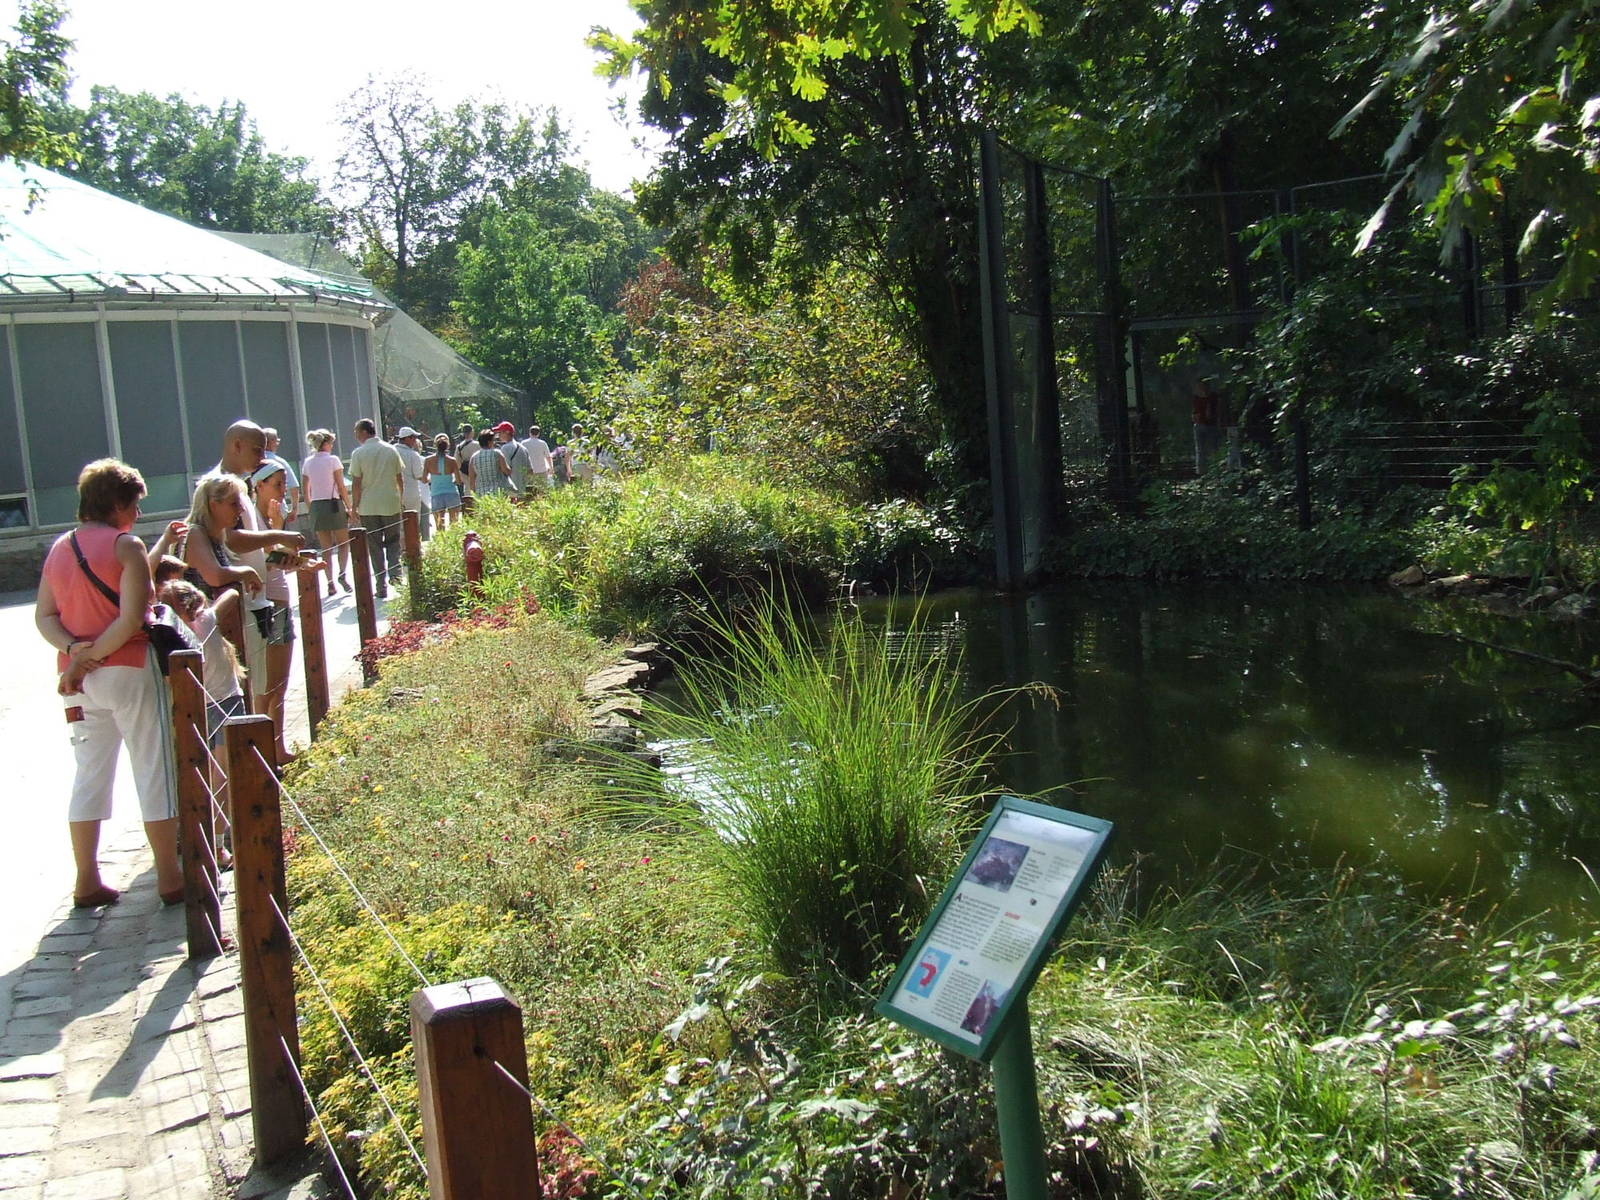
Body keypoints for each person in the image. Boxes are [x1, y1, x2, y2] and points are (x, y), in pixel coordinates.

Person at [35, 458, 184, 908]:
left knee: (90, 774)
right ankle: (170, 877)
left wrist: (75, 654)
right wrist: (93, 655)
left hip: (77, 679)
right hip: (127, 668)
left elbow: (44, 615)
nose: (137, 514)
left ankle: (86, 879)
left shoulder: (60, 547)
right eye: (135, 504)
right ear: (118, 503)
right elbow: (132, 617)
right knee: (153, 767)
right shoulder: (126, 546)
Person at [162, 578, 243, 870]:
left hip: (193, 709)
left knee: (206, 778)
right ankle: (219, 843)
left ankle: (203, 838)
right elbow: (232, 593)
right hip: (227, 702)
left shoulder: (172, 636)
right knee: (222, 779)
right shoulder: (206, 620)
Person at [250, 460, 318, 762]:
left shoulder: (267, 518)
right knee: (268, 683)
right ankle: (265, 750)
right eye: (276, 484)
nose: (281, 490)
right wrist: (279, 531)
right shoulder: (252, 519)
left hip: (279, 600)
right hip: (268, 605)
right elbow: (268, 557)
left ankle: (275, 747)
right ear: (259, 486)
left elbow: (279, 558)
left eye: (283, 483)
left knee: (279, 681)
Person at [348, 418, 405, 598]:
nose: (356, 436)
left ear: (365, 432)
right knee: (393, 540)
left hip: (368, 505)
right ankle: (396, 575)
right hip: (390, 502)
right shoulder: (391, 450)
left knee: (374, 545)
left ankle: (380, 585)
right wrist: (400, 499)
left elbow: (356, 483)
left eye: (357, 432)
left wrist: (354, 506)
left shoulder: (358, 453)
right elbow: (399, 478)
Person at [302, 429, 352, 595]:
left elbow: (305, 489)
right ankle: (342, 573)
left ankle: (329, 581)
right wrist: (349, 506)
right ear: (326, 443)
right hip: (334, 504)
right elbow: (341, 485)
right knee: (343, 543)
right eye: (331, 443)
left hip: (317, 505)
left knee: (326, 548)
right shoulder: (333, 460)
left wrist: (311, 508)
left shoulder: (308, 462)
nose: (332, 446)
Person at [261, 427, 300, 530]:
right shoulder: (280, 462)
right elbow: (294, 487)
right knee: (281, 543)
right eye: (277, 441)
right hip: (279, 510)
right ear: (272, 442)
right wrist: (294, 508)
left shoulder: (253, 463)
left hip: (258, 511)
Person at [394, 426, 429, 539]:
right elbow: (419, 475)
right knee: (413, 523)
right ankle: (412, 549)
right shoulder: (413, 455)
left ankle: (402, 548)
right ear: (407, 439)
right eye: (413, 438)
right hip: (411, 493)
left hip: (393, 493)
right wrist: (428, 478)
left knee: (398, 524)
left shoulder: (391, 451)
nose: (415, 440)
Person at [425, 434, 463, 529]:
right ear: (447, 446)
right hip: (451, 492)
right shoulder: (452, 461)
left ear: (435, 445)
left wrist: (433, 479)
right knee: (454, 524)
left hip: (436, 493)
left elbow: (424, 479)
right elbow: (458, 481)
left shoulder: (428, 460)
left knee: (439, 526)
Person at [466, 429, 513, 498]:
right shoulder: (497, 453)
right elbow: (506, 470)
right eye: (493, 440)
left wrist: (474, 495)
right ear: (489, 442)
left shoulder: (473, 457)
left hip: (482, 494)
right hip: (498, 492)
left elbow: (472, 479)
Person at [1192, 377, 1224, 474]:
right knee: (1200, 450)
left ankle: (1216, 471)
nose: (1202, 387)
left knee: (1214, 449)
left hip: (1211, 425)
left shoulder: (1213, 397)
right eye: (1200, 385)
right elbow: (1194, 411)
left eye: (1204, 385)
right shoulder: (1196, 398)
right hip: (1199, 425)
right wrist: (1195, 417)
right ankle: (1201, 472)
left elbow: (1218, 410)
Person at [493, 421, 532, 493]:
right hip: (523, 488)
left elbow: (504, 470)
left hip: (511, 489)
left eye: (500, 432)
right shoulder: (523, 448)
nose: (498, 435)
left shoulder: (505, 448)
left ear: (507, 432)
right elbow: (530, 471)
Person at [521, 425, 553, 492]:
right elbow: (548, 456)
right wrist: (551, 467)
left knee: (530, 491)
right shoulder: (543, 443)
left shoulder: (523, 443)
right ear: (538, 434)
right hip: (542, 470)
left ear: (530, 433)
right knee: (542, 490)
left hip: (529, 471)